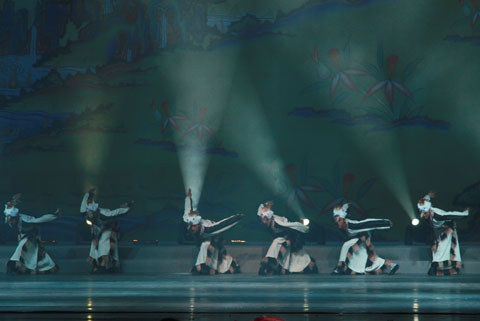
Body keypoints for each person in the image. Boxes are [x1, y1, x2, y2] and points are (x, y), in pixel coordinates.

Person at [184, 188, 243, 275]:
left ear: (198, 225)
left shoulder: (209, 229)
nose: (193, 228)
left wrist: (237, 217)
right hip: (204, 237)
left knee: (207, 245)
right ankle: (204, 266)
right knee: (206, 246)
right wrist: (188, 198)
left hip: (215, 234)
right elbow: (187, 209)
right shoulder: (187, 219)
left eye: (194, 226)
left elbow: (223, 224)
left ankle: (228, 264)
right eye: (191, 226)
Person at [332, 203, 399, 275]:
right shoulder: (343, 227)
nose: (337, 223)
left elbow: (368, 223)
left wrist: (385, 223)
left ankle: (340, 265)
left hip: (364, 238)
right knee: (371, 258)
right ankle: (392, 265)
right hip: (359, 239)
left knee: (347, 246)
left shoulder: (353, 226)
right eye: (336, 220)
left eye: (338, 220)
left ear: (344, 219)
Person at [4, 193, 61, 275]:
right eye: (10, 220)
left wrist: (55, 216)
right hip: (25, 238)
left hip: (31, 238)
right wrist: (14, 200)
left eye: (12, 219)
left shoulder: (24, 219)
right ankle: (27, 269)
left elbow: (39, 220)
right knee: (30, 255)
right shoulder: (9, 219)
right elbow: (9, 206)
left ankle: (26, 268)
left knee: (24, 251)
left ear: (15, 217)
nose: (11, 221)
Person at [80, 188, 134, 273]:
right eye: (89, 213)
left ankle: (107, 263)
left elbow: (117, 212)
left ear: (96, 212)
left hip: (109, 228)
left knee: (104, 242)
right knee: (94, 244)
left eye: (92, 213)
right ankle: (97, 264)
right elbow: (84, 204)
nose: (90, 214)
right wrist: (88, 194)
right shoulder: (85, 212)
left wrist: (128, 206)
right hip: (98, 229)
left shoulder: (105, 214)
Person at [257, 201, 318, 275]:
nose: (265, 221)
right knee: (279, 245)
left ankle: (274, 262)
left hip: (293, 236)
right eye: (263, 219)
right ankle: (273, 263)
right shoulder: (265, 219)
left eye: (266, 219)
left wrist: (304, 227)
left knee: (285, 246)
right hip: (282, 237)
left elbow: (294, 226)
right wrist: (266, 205)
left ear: (269, 218)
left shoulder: (279, 223)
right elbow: (260, 210)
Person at [417, 192, 469, 276]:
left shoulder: (438, 215)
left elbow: (450, 214)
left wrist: (464, 214)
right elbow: (424, 200)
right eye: (422, 213)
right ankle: (440, 268)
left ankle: (440, 266)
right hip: (439, 229)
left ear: (429, 210)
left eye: (425, 213)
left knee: (443, 247)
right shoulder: (424, 211)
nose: (424, 215)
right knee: (436, 249)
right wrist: (428, 196)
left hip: (448, 228)